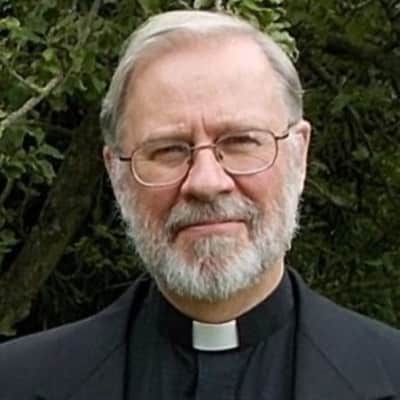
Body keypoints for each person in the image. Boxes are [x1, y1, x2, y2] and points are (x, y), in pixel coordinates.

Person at [1, 10, 399, 400]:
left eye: (241, 142)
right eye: (169, 150)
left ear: (299, 153)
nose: (207, 183)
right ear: (116, 173)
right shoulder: (15, 382)